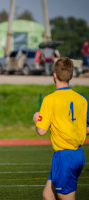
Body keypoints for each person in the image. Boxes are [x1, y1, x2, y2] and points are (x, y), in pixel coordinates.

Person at [33, 57, 89, 200]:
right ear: (71, 76)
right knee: (47, 194)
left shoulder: (49, 100)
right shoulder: (82, 99)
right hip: (78, 154)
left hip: (64, 156)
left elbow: (41, 130)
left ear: (54, 76)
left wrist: (36, 118)